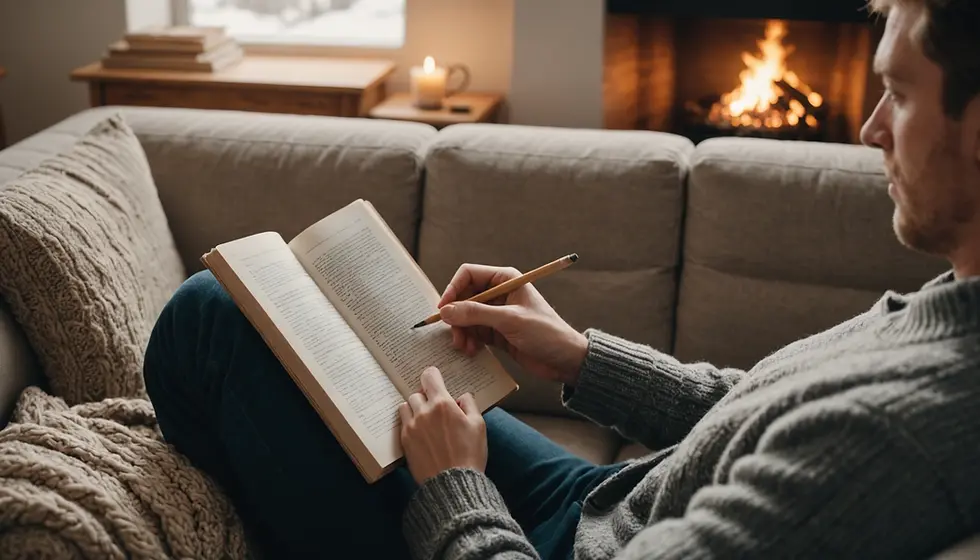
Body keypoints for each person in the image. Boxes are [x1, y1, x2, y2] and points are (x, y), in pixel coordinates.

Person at [142, 1, 980, 558]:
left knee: (208, 319)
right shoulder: (948, 307)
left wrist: (454, 485)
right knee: (268, 323)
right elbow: (761, 412)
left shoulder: (900, 435)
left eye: (899, 95)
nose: (870, 129)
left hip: (545, 545)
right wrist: (579, 357)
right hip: (605, 502)